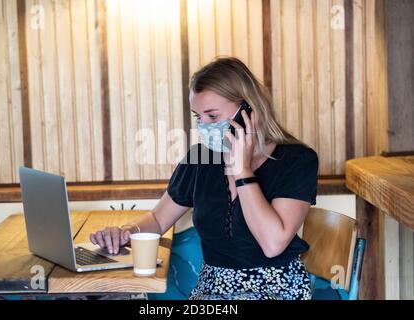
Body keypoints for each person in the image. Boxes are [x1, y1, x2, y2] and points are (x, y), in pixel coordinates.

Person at [90, 57, 319, 300]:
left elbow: (273, 244)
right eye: (198, 117)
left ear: (248, 110)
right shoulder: (200, 158)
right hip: (211, 290)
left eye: (212, 116)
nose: (204, 125)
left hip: (274, 288)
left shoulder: (297, 160)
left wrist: (242, 170)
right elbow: (158, 219)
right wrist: (126, 232)